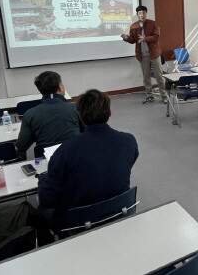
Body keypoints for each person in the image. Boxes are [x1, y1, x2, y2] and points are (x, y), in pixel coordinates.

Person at [38, 89, 139, 226]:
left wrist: (43, 180)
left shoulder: (65, 150)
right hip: (120, 210)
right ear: (110, 112)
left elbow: (48, 199)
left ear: (80, 116)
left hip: (79, 222)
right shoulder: (129, 141)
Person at [16, 71, 83, 160]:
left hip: (47, 163)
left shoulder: (30, 114)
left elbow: (21, 146)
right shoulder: (77, 108)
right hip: (77, 158)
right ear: (60, 87)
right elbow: (89, 133)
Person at [121, 5, 166, 104]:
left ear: (146, 13)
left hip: (154, 54)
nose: (142, 15)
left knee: (159, 76)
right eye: (140, 13)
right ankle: (149, 95)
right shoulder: (133, 26)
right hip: (142, 55)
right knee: (146, 77)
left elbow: (156, 37)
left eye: (144, 13)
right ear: (137, 14)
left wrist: (145, 39)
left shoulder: (153, 23)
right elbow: (133, 40)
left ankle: (164, 95)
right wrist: (126, 38)